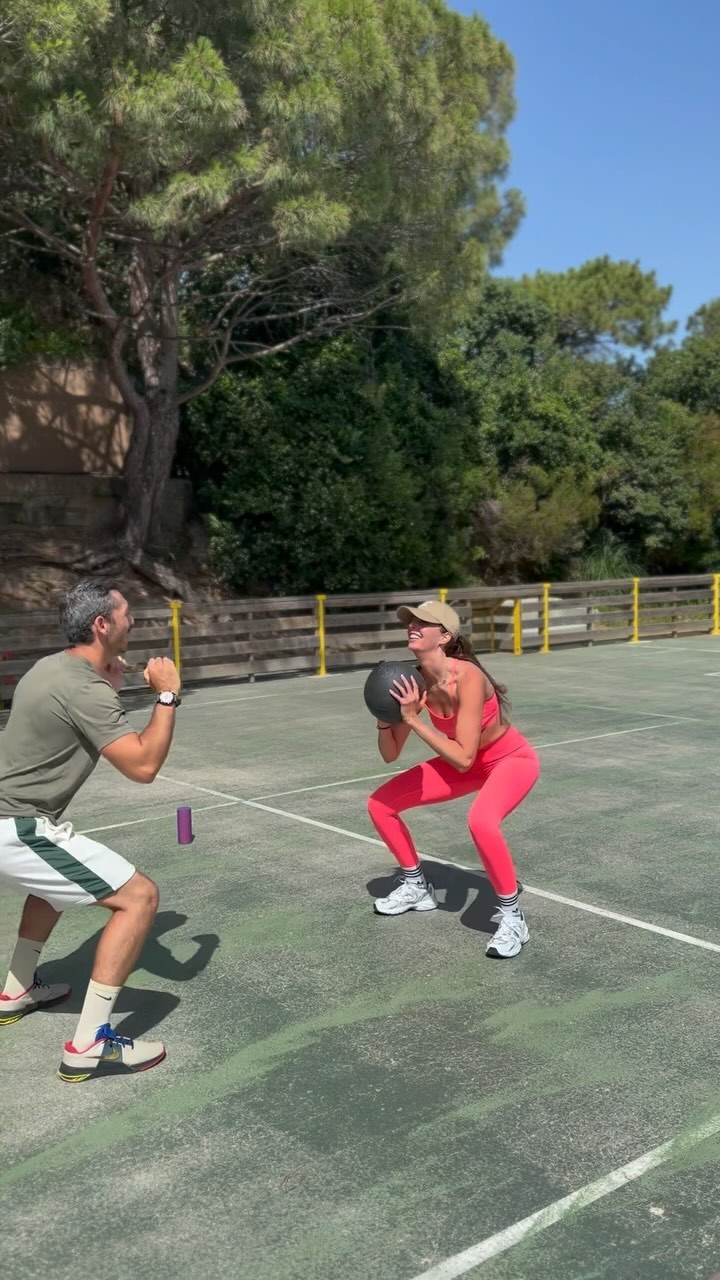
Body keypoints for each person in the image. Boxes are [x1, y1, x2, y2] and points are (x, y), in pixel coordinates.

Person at [0, 579, 182, 1080]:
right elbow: (142, 767)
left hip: (8, 823)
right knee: (140, 898)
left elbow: (72, 719)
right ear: (102, 624)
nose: (133, 622)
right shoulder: (85, 687)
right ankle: (89, 1045)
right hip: (14, 827)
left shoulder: (51, 667)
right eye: (127, 614)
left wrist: (110, 685)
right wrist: (166, 697)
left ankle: (16, 990)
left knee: (51, 889)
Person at [367, 600, 539, 957]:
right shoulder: (411, 682)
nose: (412, 625)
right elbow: (390, 754)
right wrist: (387, 718)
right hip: (467, 763)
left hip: (510, 760)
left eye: (423, 623)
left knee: (481, 821)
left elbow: (462, 757)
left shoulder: (468, 676)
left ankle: (513, 918)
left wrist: (413, 719)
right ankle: (417, 887)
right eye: (411, 621)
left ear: (444, 636)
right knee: (380, 804)